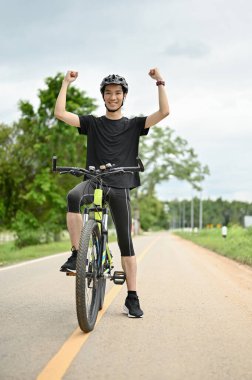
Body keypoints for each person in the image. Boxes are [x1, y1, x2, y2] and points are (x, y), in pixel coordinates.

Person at [54, 68, 169, 318]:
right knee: (73, 196)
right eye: (109, 93)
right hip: (94, 181)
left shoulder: (134, 124)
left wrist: (159, 82)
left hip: (120, 184)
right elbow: (60, 113)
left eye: (118, 93)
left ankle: (132, 297)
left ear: (124, 96)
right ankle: (77, 255)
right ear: (103, 97)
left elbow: (164, 112)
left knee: (126, 243)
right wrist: (66, 83)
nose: (113, 97)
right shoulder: (93, 123)